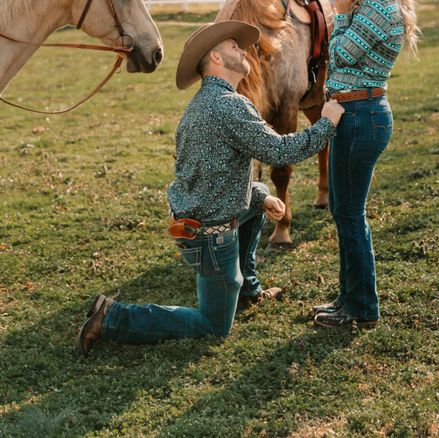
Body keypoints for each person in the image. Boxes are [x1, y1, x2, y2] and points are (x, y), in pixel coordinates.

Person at [76, 20, 344, 356]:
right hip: (209, 234)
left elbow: (214, 174)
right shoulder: (228, 106)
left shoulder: (207, 103)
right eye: (234, 47)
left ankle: (247, 289)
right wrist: (327, 122)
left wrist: (260, 197)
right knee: (214, 326)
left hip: (203, 216)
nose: (243, 50)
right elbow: (281, 152)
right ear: (215, 58)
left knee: (257, 197)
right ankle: (112, 317)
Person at [307, 0, 419, 329]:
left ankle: (362, 307)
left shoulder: (373, 10)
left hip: (360, 115)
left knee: (350, 214)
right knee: (344, 210)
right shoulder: (368, 7)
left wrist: (339, 18)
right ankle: (349, 298)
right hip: (353, 114)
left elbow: (342, 53)